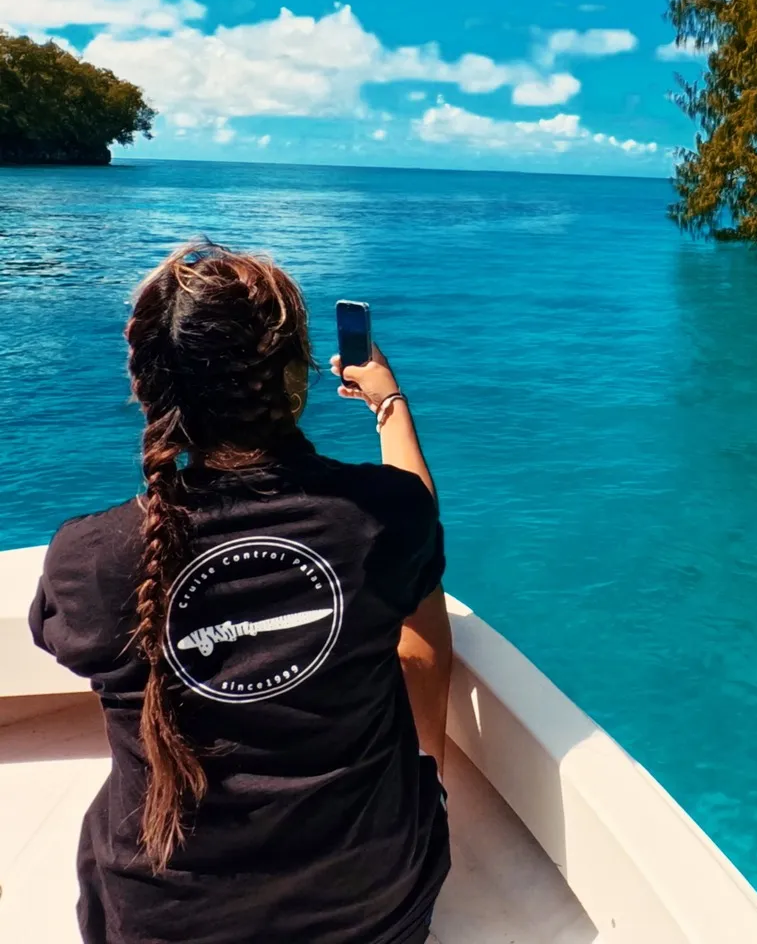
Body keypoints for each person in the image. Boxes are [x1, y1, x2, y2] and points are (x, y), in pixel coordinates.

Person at [29, 243, 452, 944]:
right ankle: (427, 784)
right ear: (296, 378)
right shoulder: (382, 519)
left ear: (149, 388)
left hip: (161, 928)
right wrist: (387, 400)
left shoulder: (90, 559)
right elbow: (417, 514)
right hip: (375, 912)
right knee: (418, 591)